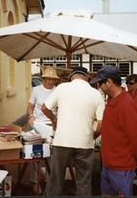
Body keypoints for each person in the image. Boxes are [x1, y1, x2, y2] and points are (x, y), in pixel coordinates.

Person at [41, 66, 104, 196]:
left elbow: (44, 108)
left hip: (62, 141)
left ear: (72, 77)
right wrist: (92, 136)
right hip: (85, 143)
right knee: (84, 182)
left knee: (56, 181)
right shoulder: (96, 93)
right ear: (87, 78)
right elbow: (102, 124)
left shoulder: (62, 88)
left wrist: (54, 120)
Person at [91, 65, 137, 196]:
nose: (99, 86)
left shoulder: (125, 104)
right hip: (108, 165)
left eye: (100, 83)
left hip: (122, 167)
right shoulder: (113, 101)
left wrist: (135, 161)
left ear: (109, 82)